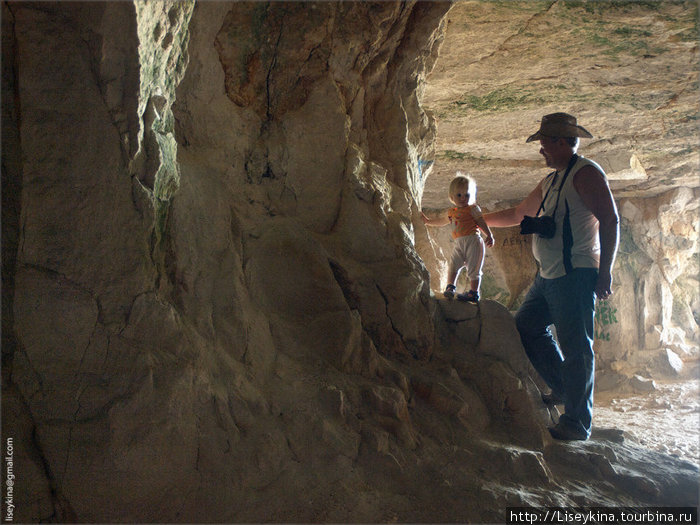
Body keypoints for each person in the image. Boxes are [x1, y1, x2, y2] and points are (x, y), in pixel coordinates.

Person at [483, 112, 619, 441]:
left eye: (544, 143)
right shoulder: (552, 180)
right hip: (548, 277)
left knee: (577, 348)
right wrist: (477, 220)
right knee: (526, 326)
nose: (541, 149)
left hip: (575, 275)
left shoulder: (585, 174)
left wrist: (606, 272)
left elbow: (610, 220)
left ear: (561, 142)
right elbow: (519, 214)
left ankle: (576, 423)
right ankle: (562, 388)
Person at [422, 173, 494, 303]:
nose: (463, 198)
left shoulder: (473, 209)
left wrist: (489, 234)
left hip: (473, 241)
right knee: (454, 264)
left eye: (467, 195)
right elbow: (443, 221)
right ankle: (450, 287)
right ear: (452, 197)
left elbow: (481, 221)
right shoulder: (452, 212)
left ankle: (473, 293)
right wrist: (428, 221)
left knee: (474, 268)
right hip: (459, 242)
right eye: (459, 195)